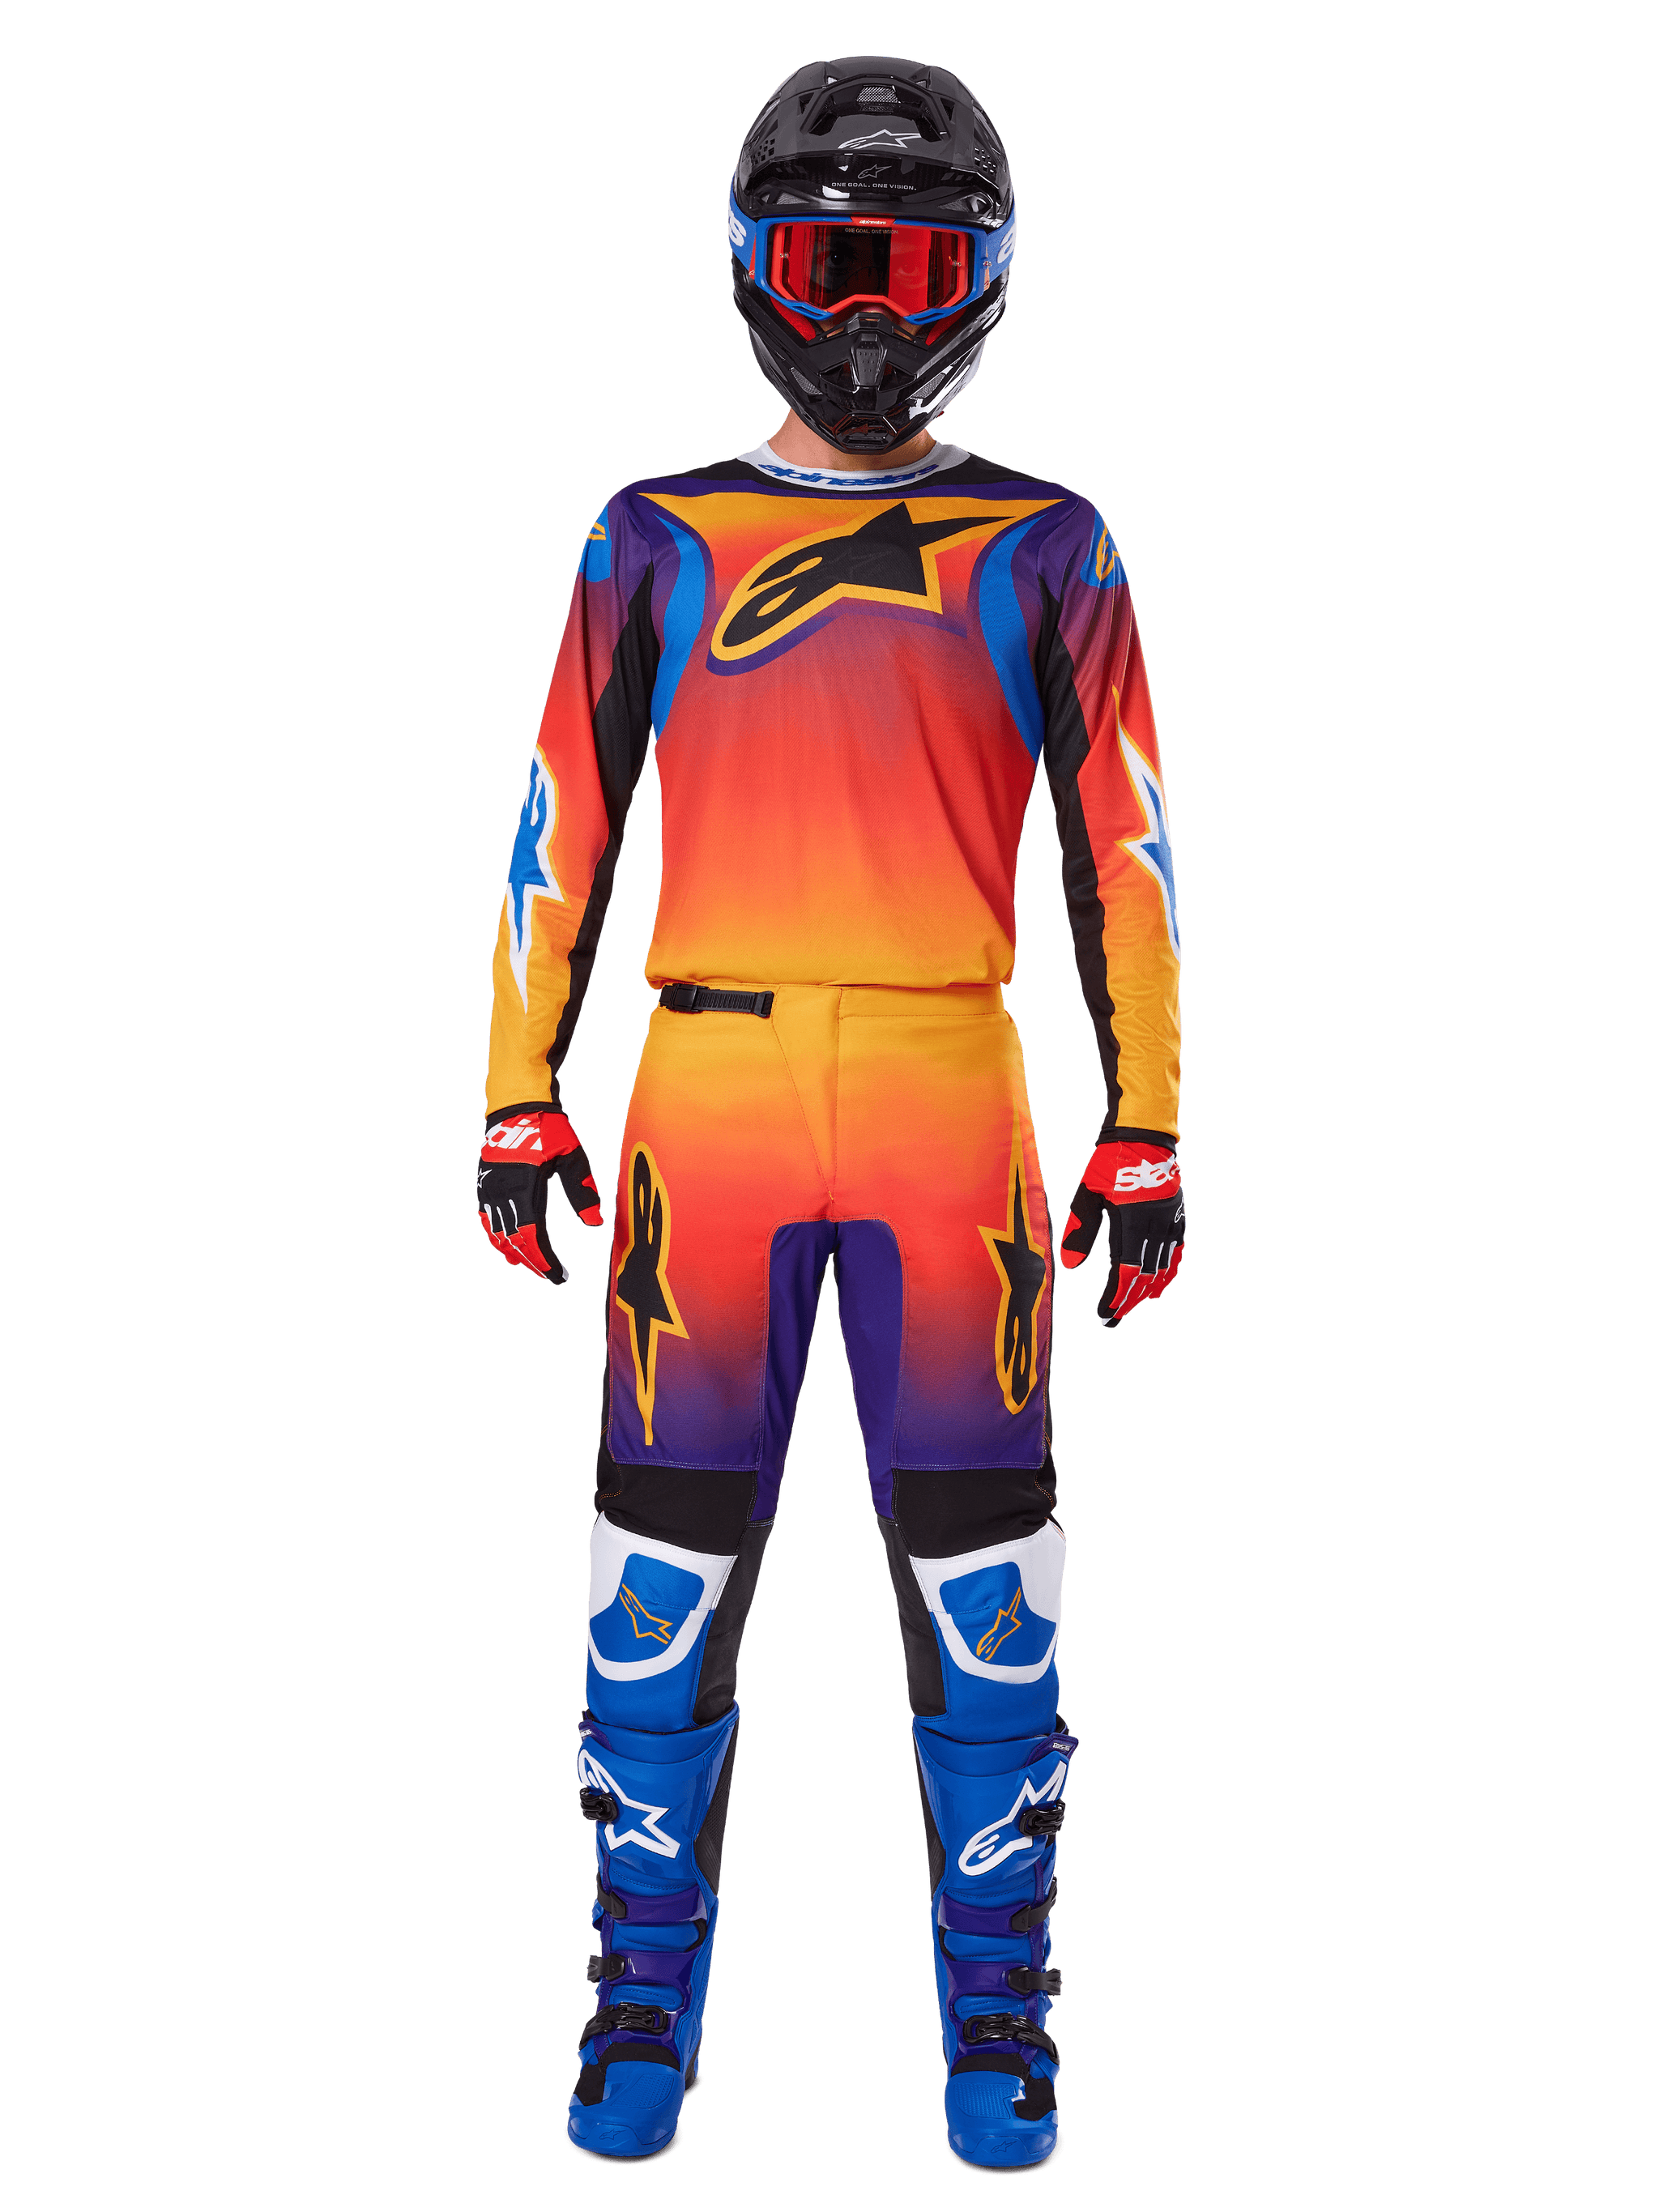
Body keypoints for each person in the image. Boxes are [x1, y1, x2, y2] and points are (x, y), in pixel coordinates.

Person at [474, 54, 1186, 2174]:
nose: (867, 316)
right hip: (710, 1101)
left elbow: (1129, 848)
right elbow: (562, 813)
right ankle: (637, 1996)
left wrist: (1149, 1118)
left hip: (951, 1096)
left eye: (912, 271)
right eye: (828, 262)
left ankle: (1003, 2017)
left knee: (992, 1582)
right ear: (754, 270)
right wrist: (515, 1087)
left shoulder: (1052, 544)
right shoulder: (649, 537)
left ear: (984, 282)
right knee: (655, 1575)